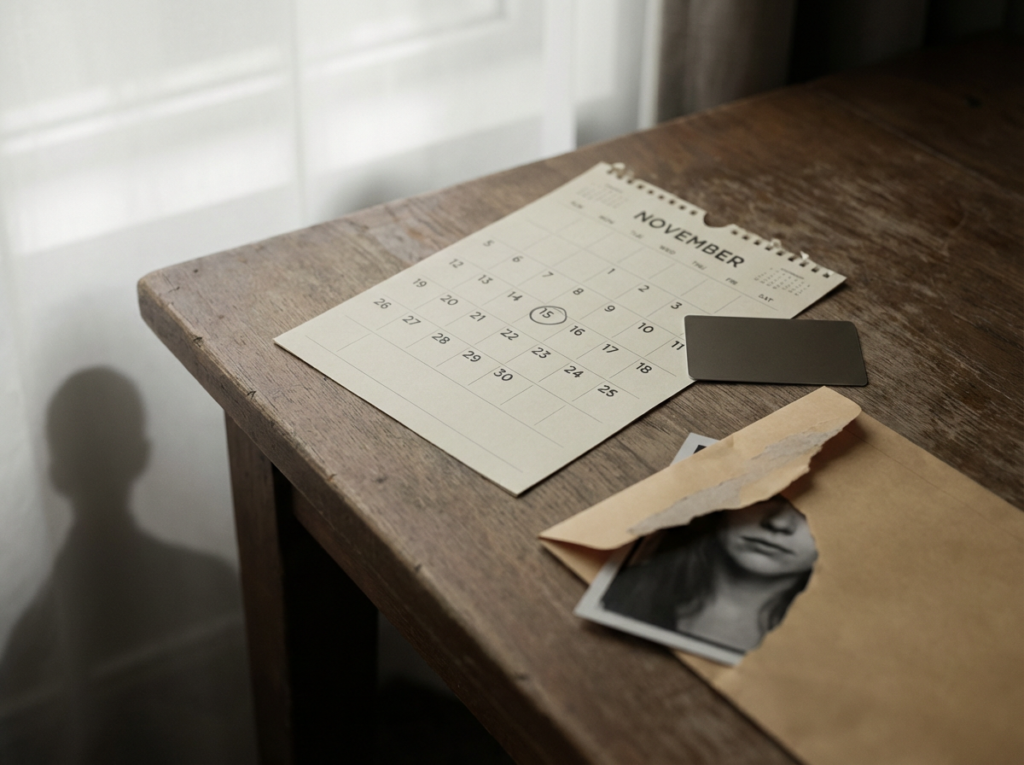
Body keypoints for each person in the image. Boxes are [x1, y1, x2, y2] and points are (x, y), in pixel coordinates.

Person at [601, 497, 817, 653]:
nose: (778, 523)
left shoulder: (820, 647)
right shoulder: (619, 590)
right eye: (768, 494)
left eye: (815, 508)